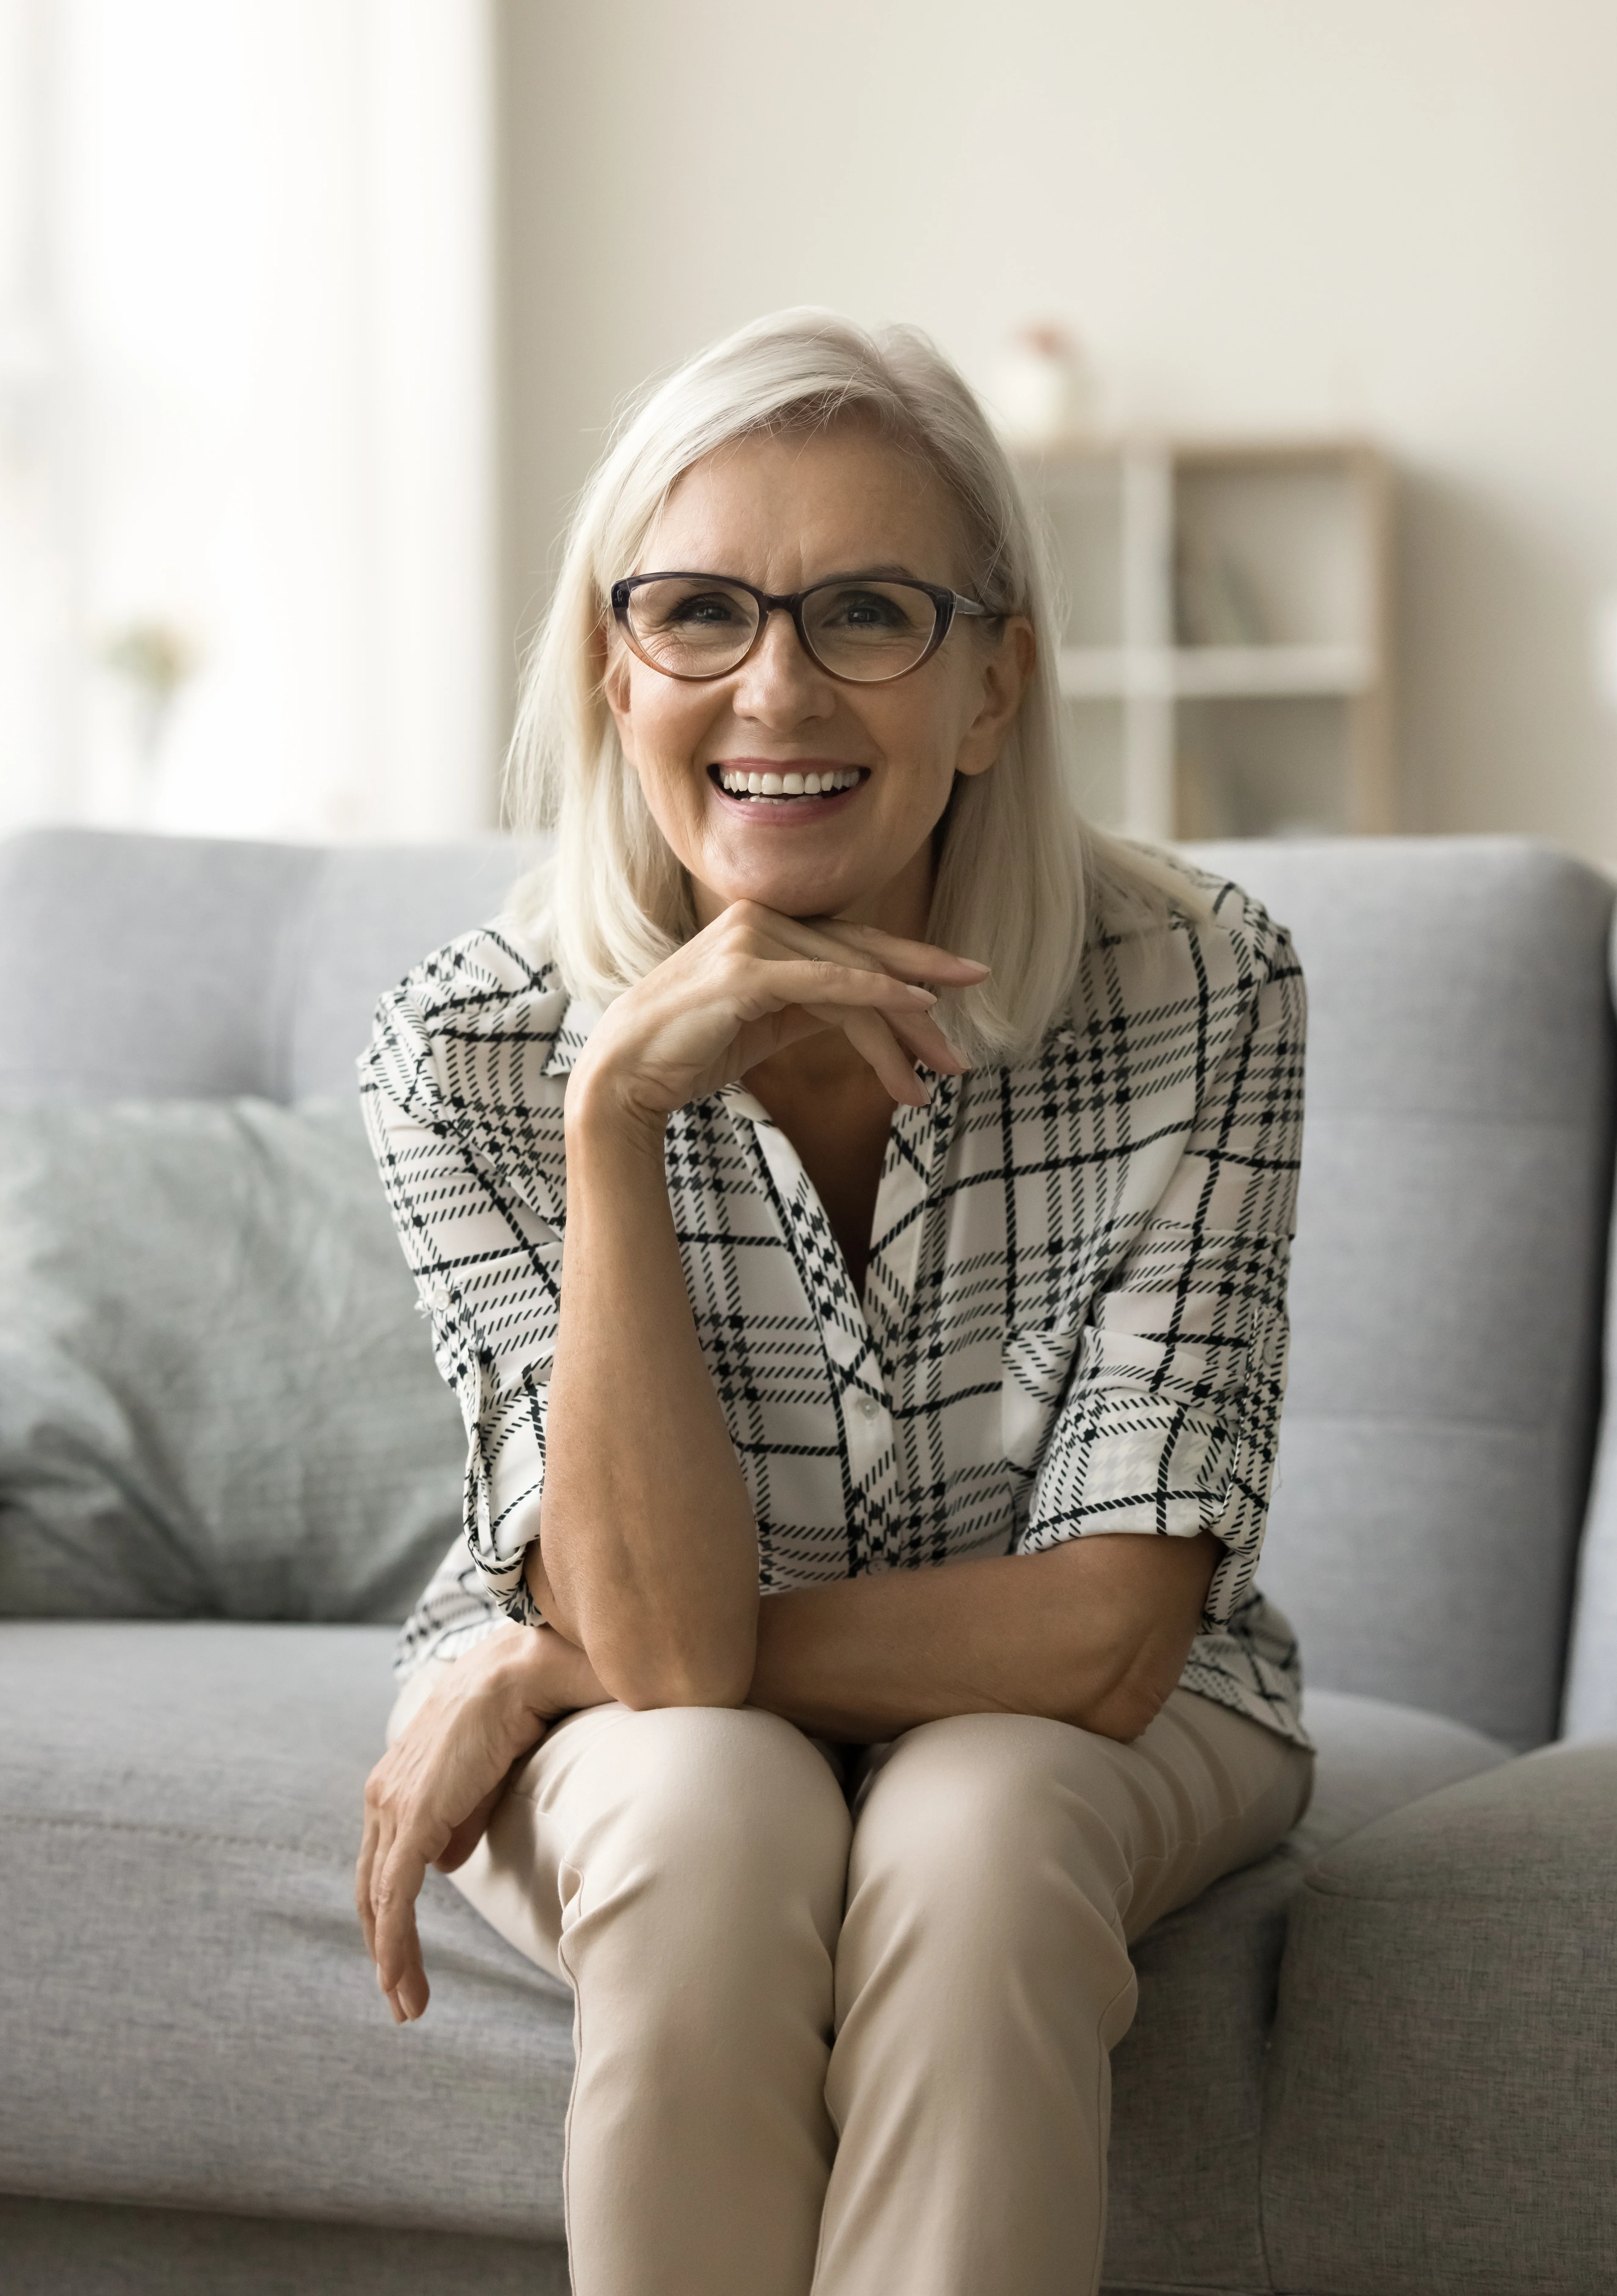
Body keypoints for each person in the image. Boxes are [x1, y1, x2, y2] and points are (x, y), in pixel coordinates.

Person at [354, 310, 1312, 2296]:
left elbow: (1112, 1638)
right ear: (622, 672)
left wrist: (562, 1662)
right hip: (653, 1719)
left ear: (991, 685)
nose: (774, 685)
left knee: (985, 1823)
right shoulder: (473, 1049)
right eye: (697, 611)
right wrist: (615, 1110)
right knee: (702, 1808)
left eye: (867, 612)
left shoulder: (1203, 988)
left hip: (1122, 1719)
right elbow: (673, 1674)